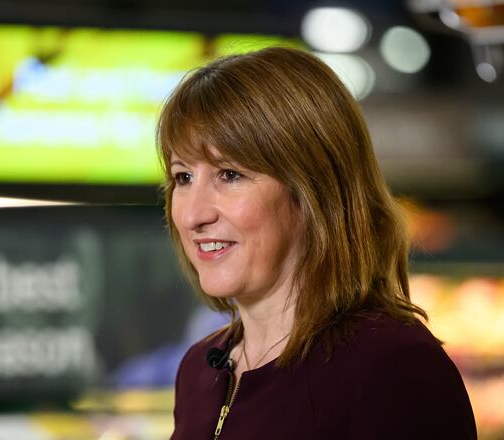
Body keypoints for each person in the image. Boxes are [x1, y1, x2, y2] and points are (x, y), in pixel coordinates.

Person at [158, 47, 477, 439]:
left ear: (313, 189)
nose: (194, 215)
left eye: (230, 175)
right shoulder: (198, 371)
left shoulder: (392, 367)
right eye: (183, 177)